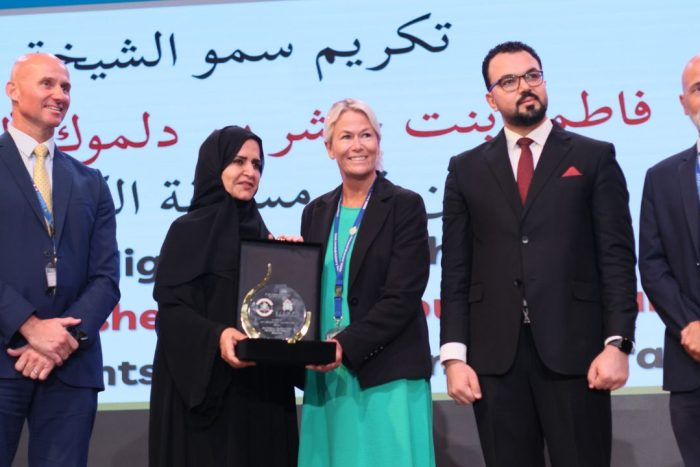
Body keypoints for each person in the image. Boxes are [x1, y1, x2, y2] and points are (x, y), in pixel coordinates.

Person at [439, 41, 638, 467]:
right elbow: (455, 269)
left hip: (577, 352)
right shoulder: (465, 168)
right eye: (509, 81)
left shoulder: (593, 156)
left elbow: (617, 256)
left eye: (533, 75)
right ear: (491, 98)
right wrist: (454, 357)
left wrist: (618, 342)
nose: (525, 87)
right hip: (495, 359)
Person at [149, 126, 300, 467]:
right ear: (213, 167)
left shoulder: (265, 236)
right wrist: (217, 336)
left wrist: (292, 270)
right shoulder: (186, 231)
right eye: (238, 161)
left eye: (257, 165)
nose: (250, 172)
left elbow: (279, 318)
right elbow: (171, 313)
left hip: (262, 394)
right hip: (203, 395)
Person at [297, 98, 435, 467]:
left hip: (388, 374)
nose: (357, 145)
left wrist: (346, 344)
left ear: (378, 141)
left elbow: (403, 295)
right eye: (345, 137)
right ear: (329, 148)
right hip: (328, 376)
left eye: (366, 135)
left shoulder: (405, 205)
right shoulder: (316, 212)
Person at [0, 53, 120, 466]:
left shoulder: (91, 182)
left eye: (66, 87)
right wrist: (29, 326)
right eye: (48, 84)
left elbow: (106, 278)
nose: (60, 95)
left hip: (72, 365)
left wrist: (60, 341)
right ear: (12, 92)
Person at [639, 54, 700, 466]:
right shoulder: (661, 177)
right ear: (683, 104)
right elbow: (653, 265)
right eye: (698, 89)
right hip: (692, 363)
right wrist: (689, 325)